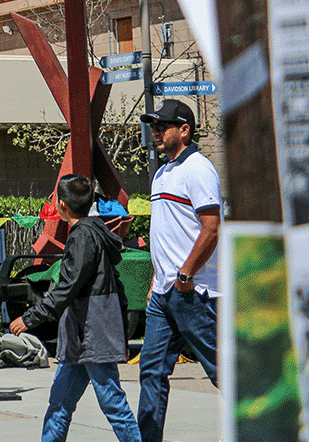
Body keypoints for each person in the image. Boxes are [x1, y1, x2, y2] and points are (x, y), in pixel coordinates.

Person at [10, 173, 139, 442]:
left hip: (93, 333)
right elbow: (118, 285)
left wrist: (30, 318)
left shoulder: (82, 238)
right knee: (60, 403)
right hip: (81, 336)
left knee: (112, 403)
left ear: (62, 205)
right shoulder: (98, 234)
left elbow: (67, 287)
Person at [137, 99, 221, 442]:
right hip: (163, 293)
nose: (155, 132)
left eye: (162, 126)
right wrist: (158, 279)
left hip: (193, 291)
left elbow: (211, 228)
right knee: (151, 371)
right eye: (153, 126)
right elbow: (167, 233)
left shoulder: (198, 168)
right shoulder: (162, 172)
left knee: (223, 370)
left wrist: (186, 274)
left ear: (184, 130)